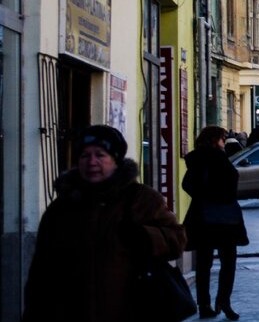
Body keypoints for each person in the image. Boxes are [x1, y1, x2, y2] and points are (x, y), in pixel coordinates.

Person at [23, 124, 186, 322]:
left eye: (100, 155)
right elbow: (41, 271)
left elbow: (177, 239)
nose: (91, 162)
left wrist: (143, 236)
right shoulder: (62, 207)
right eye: (85, 155)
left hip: (129, 310)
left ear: (115, 160)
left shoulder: (140, 198)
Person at [183, 125, 249, 320]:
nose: (224, 141)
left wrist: (202, 197)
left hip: (202, 216)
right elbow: (229, 183)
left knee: (204, 263)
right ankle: (224, 301)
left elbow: (187, 184)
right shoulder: (218, 158)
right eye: (222, 138)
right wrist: (219, 196)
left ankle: (204, 304)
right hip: (224, 217)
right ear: (214, 140)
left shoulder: (195, 158)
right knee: (228, 261)